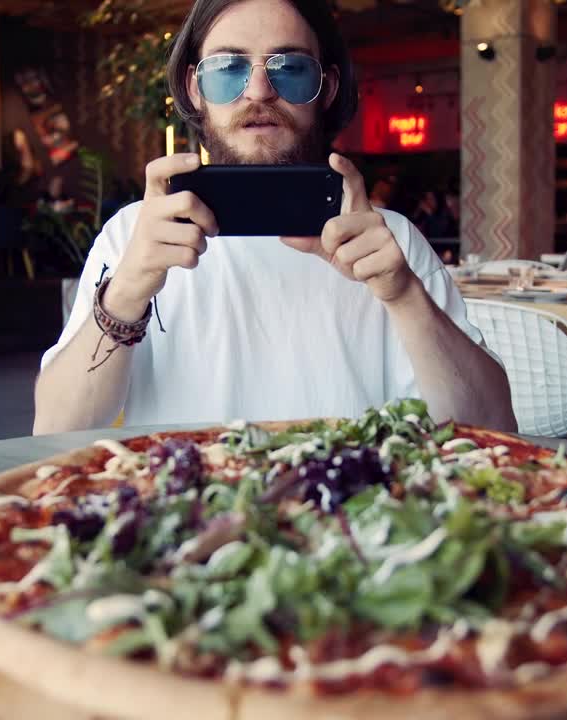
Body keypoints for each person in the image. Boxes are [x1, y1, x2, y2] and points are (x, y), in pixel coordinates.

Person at [33, 0, 514, 432]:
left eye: (291, 68)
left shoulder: (391, 241)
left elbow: (494, 427)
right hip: (181, 519)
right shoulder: (133, 235)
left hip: (349, 520)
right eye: (227, 68)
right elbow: (55, 428)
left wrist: (405, 295)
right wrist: (126, 290)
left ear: (327, 89)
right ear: (194, 88)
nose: (259, 90)